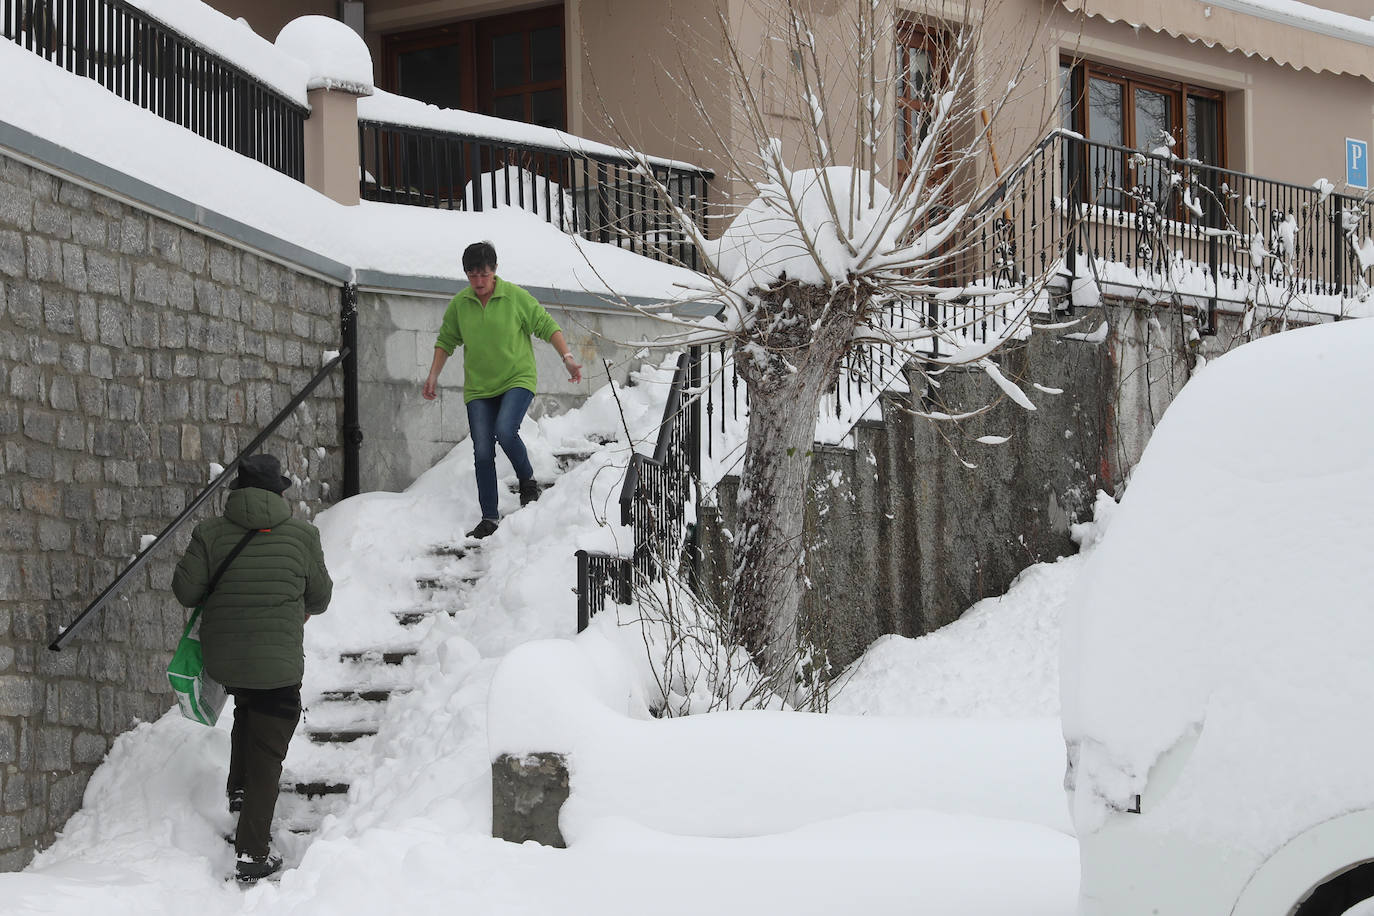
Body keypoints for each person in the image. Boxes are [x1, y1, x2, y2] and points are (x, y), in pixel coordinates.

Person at [172, 453, 332, 884]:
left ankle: (239, 792)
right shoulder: (303, 535)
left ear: (237, 492)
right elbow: (320, 599)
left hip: (224, 658)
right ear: (279, 492)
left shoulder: (209, 533)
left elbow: (185, 591)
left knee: (248, 700)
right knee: (269, 750)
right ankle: (252, 853)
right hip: (276, 663)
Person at [422, 241, 583, 539]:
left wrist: (568, 358)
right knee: (482, 450)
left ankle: (527, 481)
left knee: (505, 430)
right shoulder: (461, 304)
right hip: (479, 388)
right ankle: (489, 517)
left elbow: (547, 326)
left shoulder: (515, 298)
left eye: (483, 274)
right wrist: (433, 375)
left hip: (516, 379)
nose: (478, 282)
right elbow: (446, 341)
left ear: (494, 271)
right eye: (472, 276)